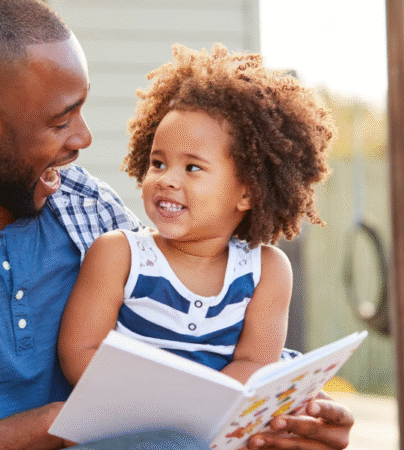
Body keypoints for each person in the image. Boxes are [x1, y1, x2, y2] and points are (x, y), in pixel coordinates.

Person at [0, 1, 354, 449]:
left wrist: (290, 412)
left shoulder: (86, 209)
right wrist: (57, 426)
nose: (83, 139)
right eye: (60, 119)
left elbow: (195, 329)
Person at [59, 43, 334, 386]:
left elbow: (254, 363)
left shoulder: (267, 272)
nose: (166, 179)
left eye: (192, 167)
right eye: (157, 163)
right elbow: (81, 351)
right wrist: (155, 402)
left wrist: (197, 409)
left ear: (247, 192)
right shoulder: (119, 255)